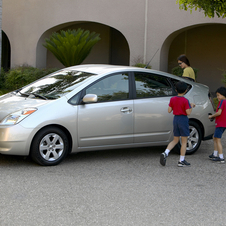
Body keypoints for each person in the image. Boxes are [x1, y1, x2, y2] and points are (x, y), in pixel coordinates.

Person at [160, 81, 195, 167]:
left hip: (175, 119)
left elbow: (169, 110)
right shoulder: (185, 100)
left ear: (176, 90)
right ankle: (181, 160)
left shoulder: (172, 99)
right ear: (186, 90)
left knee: (175, 140)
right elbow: (188, 112)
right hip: (183, 120)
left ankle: (165, 152)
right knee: (184, 142)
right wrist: (191, 106)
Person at [208, 87, 226, 163]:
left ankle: (221, 157)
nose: (218, 97)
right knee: (214, 137)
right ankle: (215, 154)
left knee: (218, 139)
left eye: (219, 95)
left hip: (220, 124)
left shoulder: (222, 102)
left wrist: (211, 116)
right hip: (223, 124)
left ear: (223, 95)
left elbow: (219, 113)